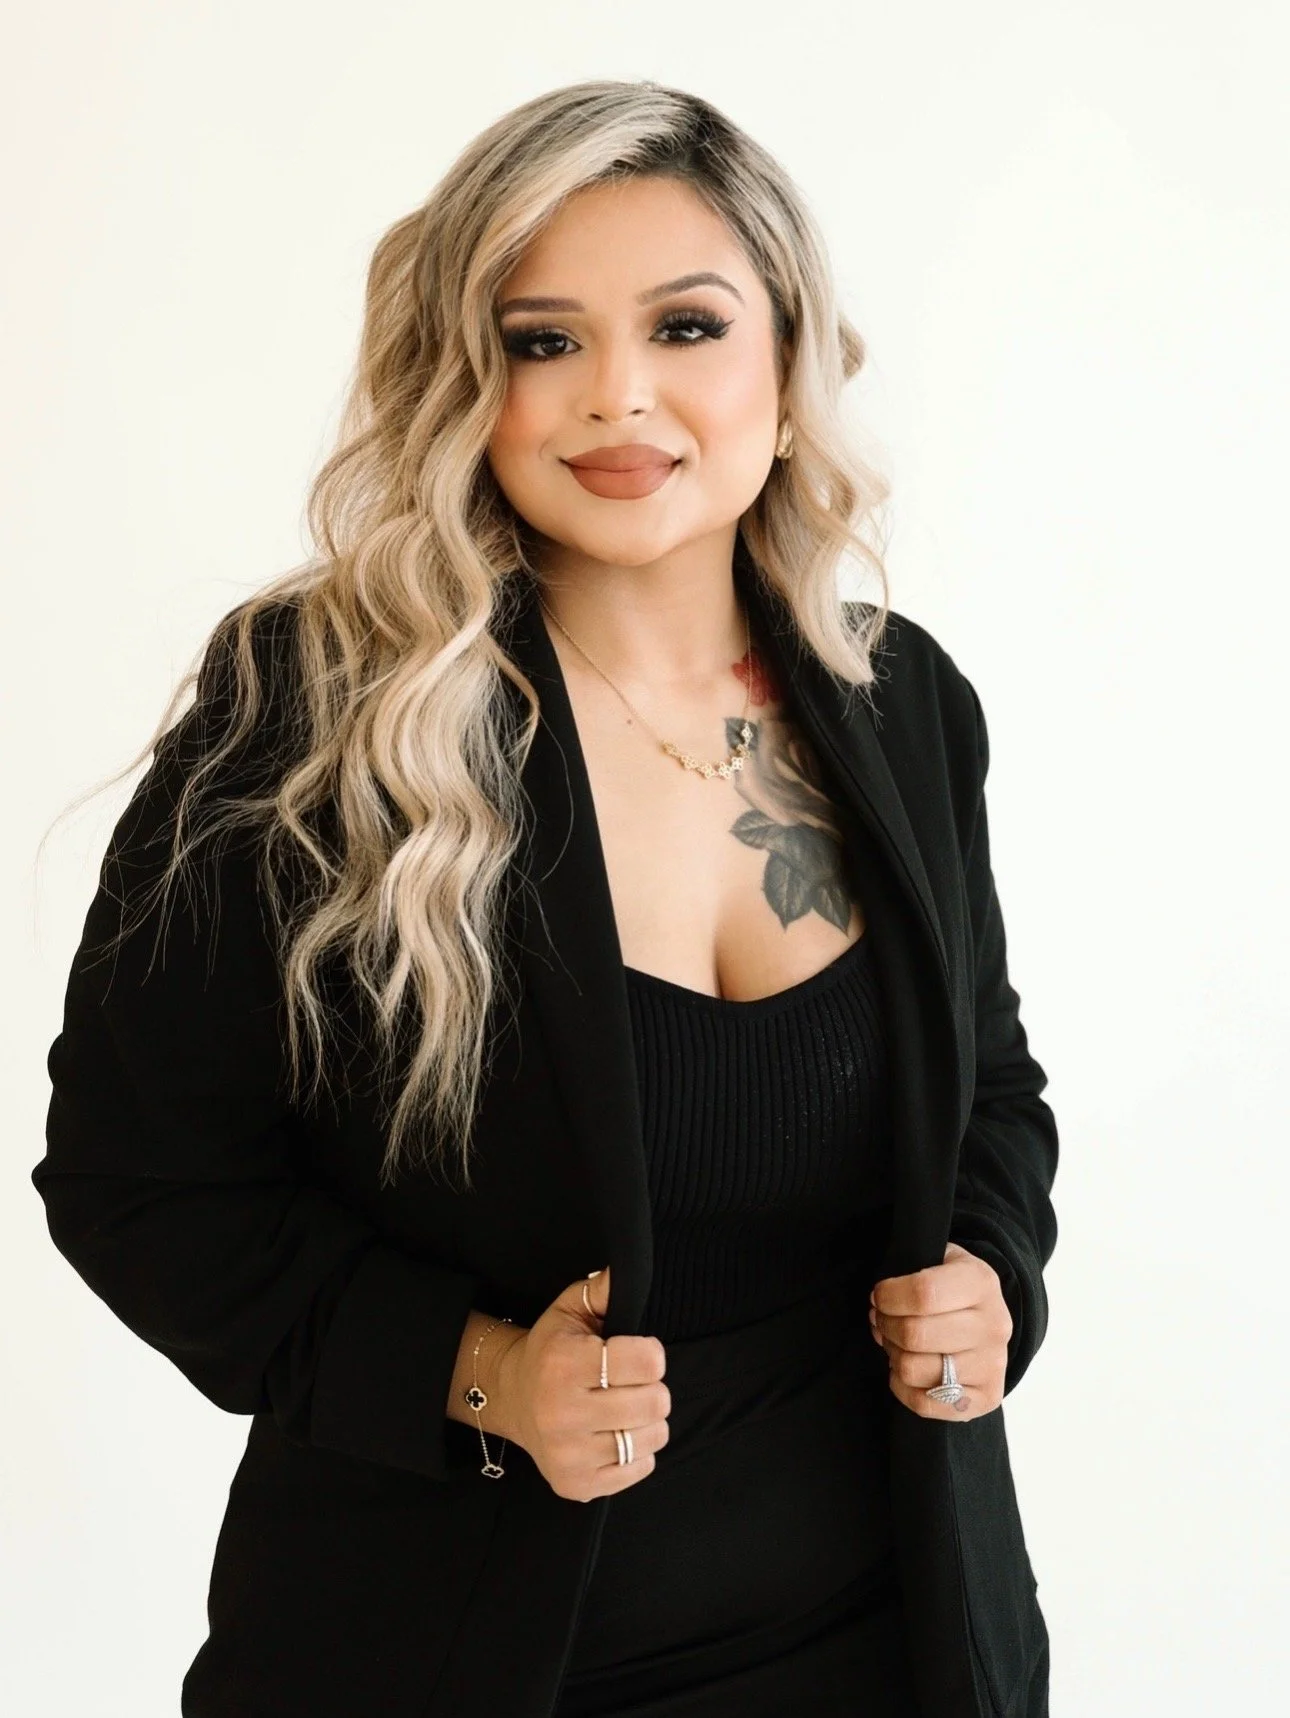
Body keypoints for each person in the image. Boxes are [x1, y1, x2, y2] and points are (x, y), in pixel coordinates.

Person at [33, 79, 1058, 1718]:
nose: (617, 394)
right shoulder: (314, 718)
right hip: (454, 1662)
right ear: (468, 382)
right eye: (542, 340)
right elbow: (138, 1180)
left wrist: (992, 1272)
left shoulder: (901, 705)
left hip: (892, 1643)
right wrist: (477, 1375)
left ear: (788, 364)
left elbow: (987, 1088)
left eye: (685, 325)